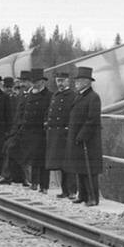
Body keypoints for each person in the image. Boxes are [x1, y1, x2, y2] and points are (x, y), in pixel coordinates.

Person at [66, 65, 102, 206]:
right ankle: (82, 195)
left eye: (79, 80)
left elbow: (92, 120)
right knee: (80, 167)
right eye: (76, 80)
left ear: (87, 82)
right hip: (77, 139)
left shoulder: (93, 97)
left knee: (90, 169)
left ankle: (93, 198)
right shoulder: (79, 96)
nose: (76, 83)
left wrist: (82, 135)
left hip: (88, 140)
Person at [43, 69, 77, 198]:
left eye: (62, 81)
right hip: (54, 134)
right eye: (58, 81)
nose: (60, 83)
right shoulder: (56, 95)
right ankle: (63, 190)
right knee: (58, 164)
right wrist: (46, 123)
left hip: (65, 134)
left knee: (68, 164)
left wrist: (69, 130)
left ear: (68, 81)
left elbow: (73, 115)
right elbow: (49, 112)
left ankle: (72, 191)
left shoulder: (72, 96)